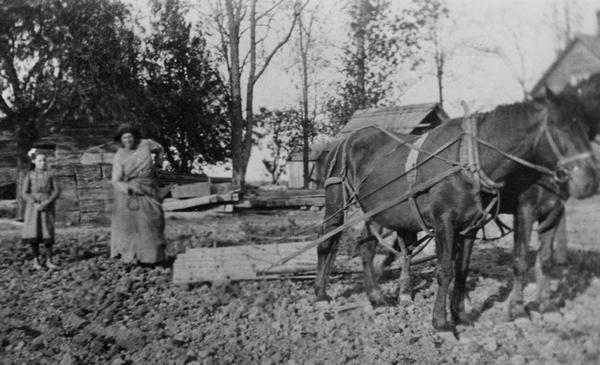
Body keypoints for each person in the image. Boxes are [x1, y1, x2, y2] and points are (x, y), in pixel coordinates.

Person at [110, 123, 166, 264]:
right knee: (131, 226)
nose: (128, 140)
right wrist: (129, 189)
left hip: (150, 188)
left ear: (135, 137)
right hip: (131, 193)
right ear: (121, 140)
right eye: (124, 138)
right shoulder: (119, 156)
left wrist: (159, 162)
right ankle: (133, 258)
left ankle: (154, 258)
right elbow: (116, 180)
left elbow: (160, 148)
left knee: (156, 219)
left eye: (130, 136)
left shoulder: (146, 144)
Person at [22, 153, 60, 270]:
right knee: (34, 232)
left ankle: (49, 260)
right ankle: (36, 261)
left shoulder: (51, 175)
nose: (43, 162)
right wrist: (34, 203)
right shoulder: (29, 175)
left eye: (44, 160)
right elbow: (25, 192)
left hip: (47, 206)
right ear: (34, 162)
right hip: (33, 208)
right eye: (40, 161)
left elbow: (56, 191)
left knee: (47, 231)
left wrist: (47, 202)